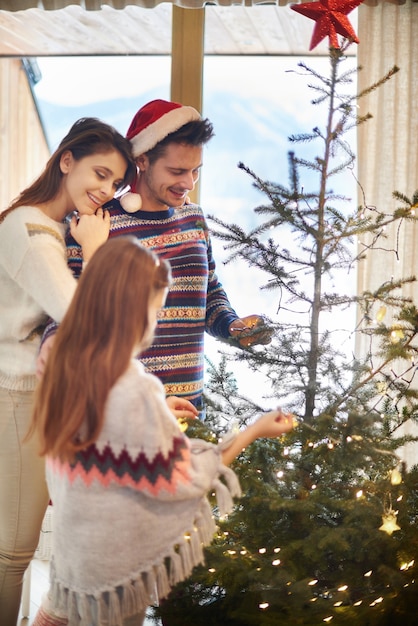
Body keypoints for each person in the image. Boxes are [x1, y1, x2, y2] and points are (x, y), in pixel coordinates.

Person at [29, 236, 294, 626]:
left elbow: (105, 430)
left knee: (58, 611)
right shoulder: (134, 386)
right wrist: (253, 431)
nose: (157, 322)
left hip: (74, 557)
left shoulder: (71, 365)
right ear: (132, 313)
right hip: (116, 574)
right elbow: (183, 475)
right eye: (156, 312)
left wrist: (157, 409)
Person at [38, 99, 273, 417]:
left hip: (191, 410)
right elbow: (68, 304)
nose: (188, 183)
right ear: (143, 160)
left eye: (195, 172)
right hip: (122, 413)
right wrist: (53, 341)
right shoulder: (97, 223)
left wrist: (233, 326)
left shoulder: (194, 219)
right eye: (177, 171)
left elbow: (209, 293)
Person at [0, 117, 136, 625]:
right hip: (14, 393)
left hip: (35, 395)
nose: (105, 190)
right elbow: (83, 320)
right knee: (13, 551)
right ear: (66, 161)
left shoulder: (55, 227)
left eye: (115, 183)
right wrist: (97, 250)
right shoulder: (31, 230)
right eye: (99, 174)